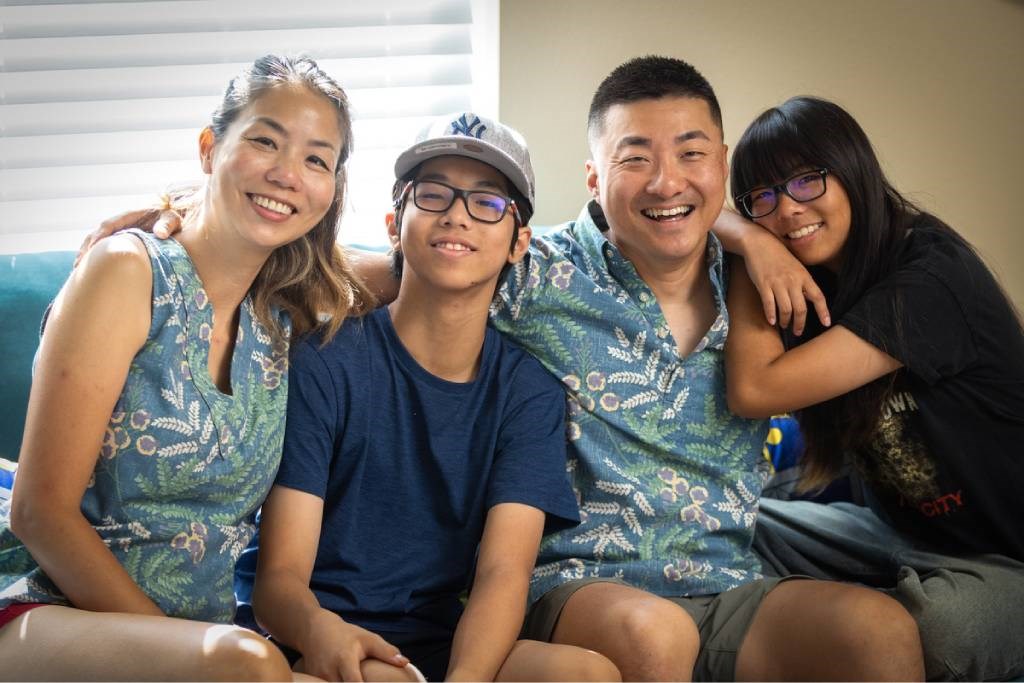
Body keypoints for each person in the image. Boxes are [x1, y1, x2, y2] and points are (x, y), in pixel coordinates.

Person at [80, 57, 926, 681]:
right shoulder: (533, 276)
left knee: (882, 630)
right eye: (635, 156)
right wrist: (193, 217)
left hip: (721, 578)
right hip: (581, 588)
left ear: (722, 164)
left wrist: (747, 234)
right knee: (649, 637)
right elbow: (378, 267)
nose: (665, 179)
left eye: (691, 154)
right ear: (595, 178)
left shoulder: (762, 286)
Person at [0, 54, 373, 681]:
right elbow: (39, 513)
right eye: (265, 141)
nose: (287, 174)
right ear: (209, 148)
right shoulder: (127, 272)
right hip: (43, 608)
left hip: (203, 646)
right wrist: (183, 651)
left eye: (317, 160)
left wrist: (192, 653)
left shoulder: (281, 315)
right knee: (247, 662)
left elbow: (429, 271)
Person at [236, 113, 620, 683]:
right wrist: (321, 632)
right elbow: (278, 582)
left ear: (519, 242)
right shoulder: (328, 362)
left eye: (487, 202)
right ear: (395, 224)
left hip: (436, 643)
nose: (456, 215)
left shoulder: (527, 394)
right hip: (311, 635)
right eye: (433, 194)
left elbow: (502, 575)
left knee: (585, 675)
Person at [725, 95, 1024, 681]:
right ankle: (850, 616)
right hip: (894, 536)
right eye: (762, 197)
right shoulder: (818, 283)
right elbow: (704, 213)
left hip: (1007, 559)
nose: (786, 209)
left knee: (932, 636)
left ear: (852, 169)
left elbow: (755, 389)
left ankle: (855, 620)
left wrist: (749, 250)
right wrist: (750, 239)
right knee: (730, 527)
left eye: (806, 181)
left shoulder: (932, 277)